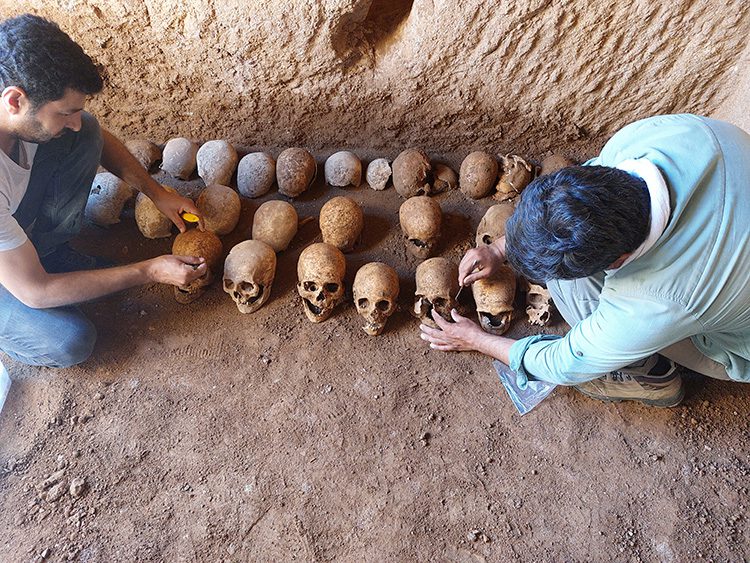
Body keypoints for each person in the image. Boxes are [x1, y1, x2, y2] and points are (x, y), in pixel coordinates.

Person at [420, 113, 750, 407]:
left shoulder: (656, 302)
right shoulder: (650, 139)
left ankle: (651, 380)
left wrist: (476, 339)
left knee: (571, 290)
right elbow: (577, 195)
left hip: (738, 345)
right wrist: (498, 249)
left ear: (619, 259)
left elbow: (565, 363)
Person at [0, 14, 208, 369]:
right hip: (20, 280)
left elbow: (93, 135)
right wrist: (149, 271)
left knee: (86, 134)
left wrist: (157, 193)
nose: (75, 121)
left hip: (10, 224)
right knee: (69, 341)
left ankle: (47, 252)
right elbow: (36, 292)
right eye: (66, 112)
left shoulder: (20, 122)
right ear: (15, 100)